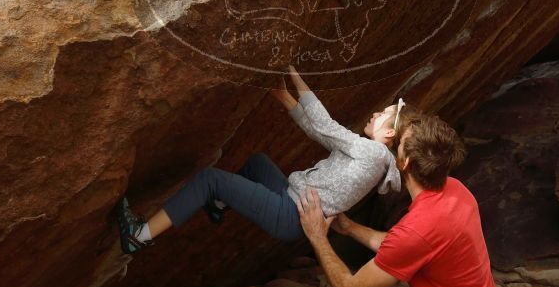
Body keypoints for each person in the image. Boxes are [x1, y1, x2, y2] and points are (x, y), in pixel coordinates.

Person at [115, 66, 402, 253]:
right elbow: (319, 133)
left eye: (383, 115)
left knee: (210, 178)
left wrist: (294, 73)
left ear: (389, 132)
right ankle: (217, 205)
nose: (376, 114)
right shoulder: (370, 156)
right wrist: (283, 96)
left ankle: (138, 235)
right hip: (293, 201)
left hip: (289, 213)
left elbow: (325, 125)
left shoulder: (373, 153)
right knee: (258, 162)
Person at [297, 111, 506, 287]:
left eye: (400, 142)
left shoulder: (418, 228)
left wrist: (317, 237)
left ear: (404, 162)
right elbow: (408, 248)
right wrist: (351, 228)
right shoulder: (456, 191)